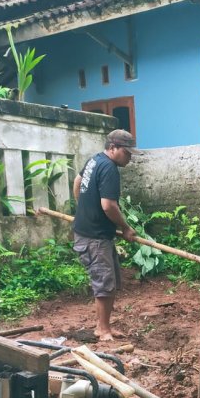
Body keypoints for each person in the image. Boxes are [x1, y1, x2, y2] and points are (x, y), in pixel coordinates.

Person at [72, 129, 138, 341]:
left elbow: (77, 182)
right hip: (94, 238)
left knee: (109, 281)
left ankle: (105, 326)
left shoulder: (95, 160)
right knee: (104, 283)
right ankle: (102, 330)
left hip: (93, 234)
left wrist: (83, 208)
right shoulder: (109, 168)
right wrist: (126, 227)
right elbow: (109, 206)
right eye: (126, 152)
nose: (129, 157)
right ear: (113, 148)